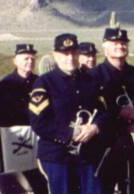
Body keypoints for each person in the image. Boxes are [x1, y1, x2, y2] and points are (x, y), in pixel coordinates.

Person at [28, 34, 107, 194]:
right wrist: (71, 133)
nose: (70, 58)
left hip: (88, 155)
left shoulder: (91, 80)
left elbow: (104, 112)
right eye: (65, 54)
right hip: (57, 156)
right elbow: (39, 123)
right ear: (55, 55)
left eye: (74, 53)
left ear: (79, 54)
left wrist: (95, 127)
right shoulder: (44, 82)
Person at [89, 27, 134, 194]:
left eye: (123, 43)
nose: (120, 46)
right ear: (105, 46)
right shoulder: (94, 75)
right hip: (108, 144)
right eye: (114, 43)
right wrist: (119, 113)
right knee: (105, 187)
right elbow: (93, 109)